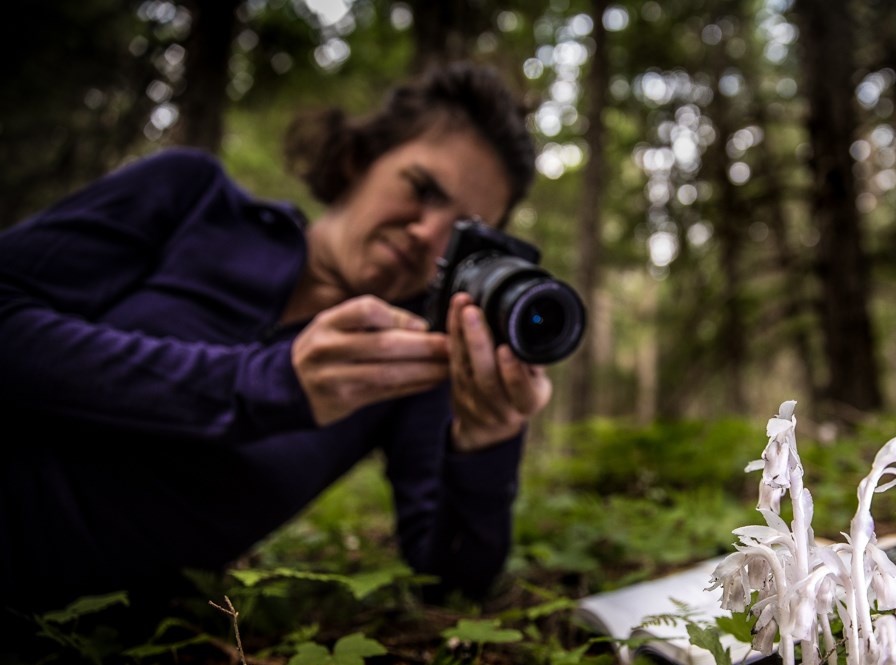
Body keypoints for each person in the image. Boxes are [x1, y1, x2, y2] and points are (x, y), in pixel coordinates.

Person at [0, 61, 552, 609]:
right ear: (361, 157)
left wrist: (487, 445)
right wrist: (263, 384)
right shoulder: (192, 198)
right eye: (423, 188)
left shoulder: (407, 364)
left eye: (464, 232)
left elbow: (451, 580)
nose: (428, 234)